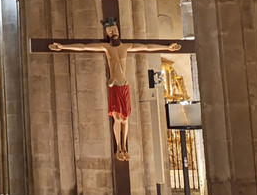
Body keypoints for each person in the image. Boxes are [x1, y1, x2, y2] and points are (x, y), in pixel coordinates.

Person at [49, 18, 181, 161]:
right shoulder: (106, 47)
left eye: (115, 29)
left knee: (125, 118)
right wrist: (62, 47)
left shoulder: (126, 47)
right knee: (117, 118)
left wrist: (167, 48)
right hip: (114, 86)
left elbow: (147, 47)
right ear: (107, 33)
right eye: (110, 31)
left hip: (124, 85)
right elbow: (84, 47)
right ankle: (119, 147)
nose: (113, 32)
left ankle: (124, 147)